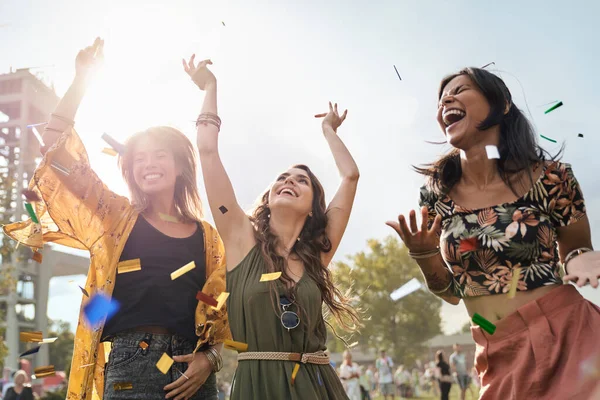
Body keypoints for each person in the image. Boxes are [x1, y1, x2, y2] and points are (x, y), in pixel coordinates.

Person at [3, 38, 230, 400]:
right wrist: (81, 80)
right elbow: (54, 148)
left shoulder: (207, 237)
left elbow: (220, 309)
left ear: (179, 167)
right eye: (139, 158)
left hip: (193, 372)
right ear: (129, 170)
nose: (149, 164)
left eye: (159, 156)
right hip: (130, 367)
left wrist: (211, 359)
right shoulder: (115, 217)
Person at [387, 67, 600, 399]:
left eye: (461, 89)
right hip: (497, 352)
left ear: (501, 104)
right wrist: (423, 254)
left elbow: (577, 251)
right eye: (442, 97)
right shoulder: (437, 195)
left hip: (569, 335)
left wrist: (581, 259)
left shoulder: (551, 178)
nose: (447, 98)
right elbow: (452, 293)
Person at [185, 54, 360, 399]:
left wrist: (328, 130)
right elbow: (207, 152)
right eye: (282, 178)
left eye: (302, 181)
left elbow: (350, 176)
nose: (289, 181)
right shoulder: (240, 237)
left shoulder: (317, 255)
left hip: (319, 385)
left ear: (313, 209)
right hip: (258, 386)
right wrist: (210, 86)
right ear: (268, 197)